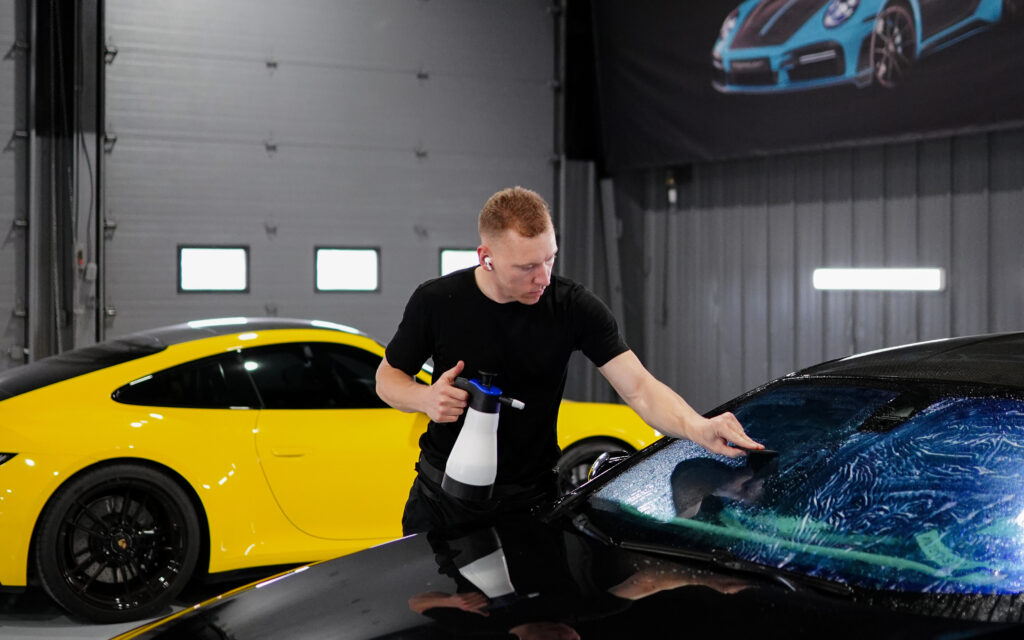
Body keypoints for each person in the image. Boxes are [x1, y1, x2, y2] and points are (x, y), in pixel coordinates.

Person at [376, 186, 762, 535]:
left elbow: (640, 389)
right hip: (442, 500)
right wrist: (425, 398)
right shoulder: (436, 302)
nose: (543, 278)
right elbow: (387, 379)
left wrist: (698, 427)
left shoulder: (573, 308)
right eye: (527, 267)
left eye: (550, 259)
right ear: (486, 257)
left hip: (530, 501)